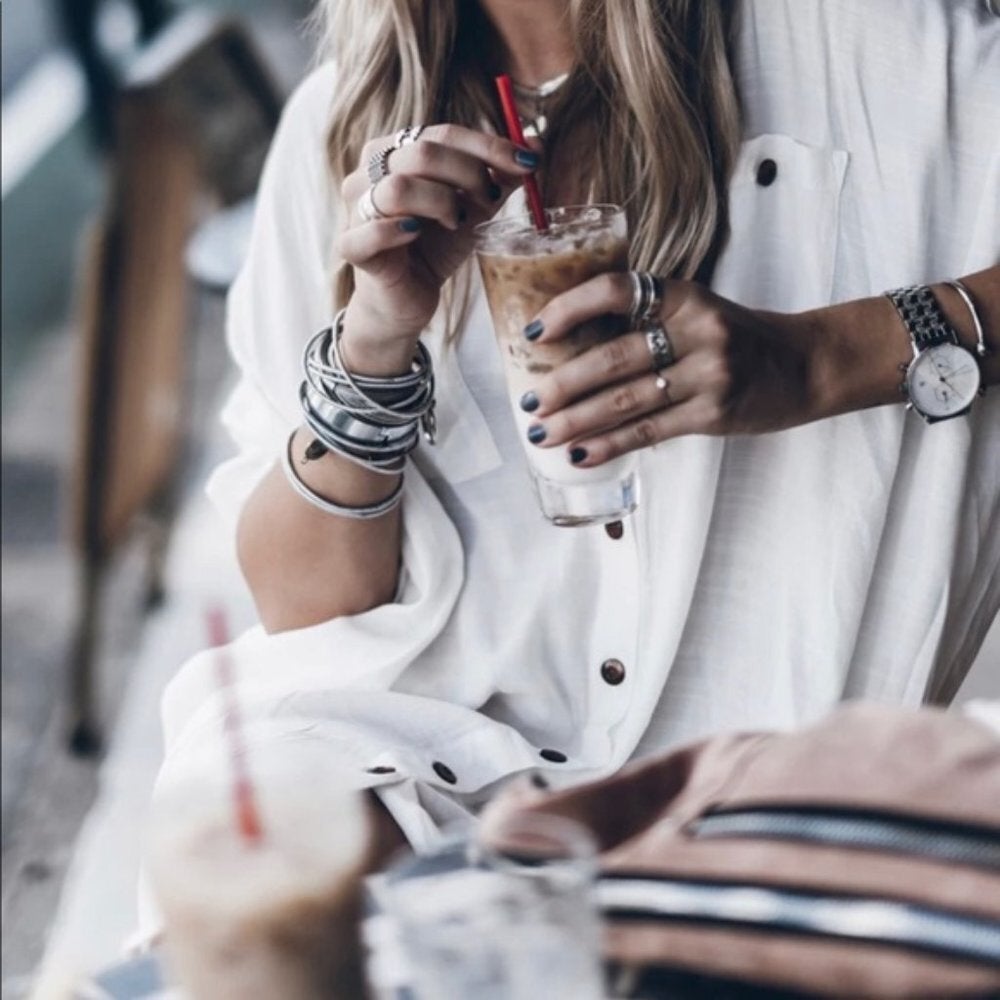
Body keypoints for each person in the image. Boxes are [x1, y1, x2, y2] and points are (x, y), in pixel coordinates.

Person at [155, 0, 999, 858]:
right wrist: (374, 336)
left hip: (764, 781)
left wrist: (817, 358)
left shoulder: (872, 44)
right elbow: (306, 609)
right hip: (426, 763)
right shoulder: (341, 127)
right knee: (255, 854)